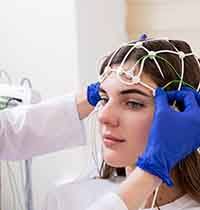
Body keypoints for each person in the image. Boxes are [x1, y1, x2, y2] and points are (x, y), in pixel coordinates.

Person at [1, 36, 200, 210]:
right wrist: (151, 171)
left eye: (133, 103)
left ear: (179, 114)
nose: (103, 116)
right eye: (104, 98)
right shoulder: (66, 201)